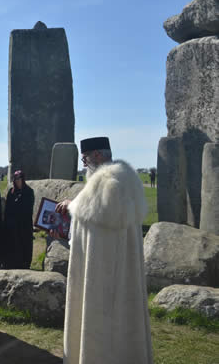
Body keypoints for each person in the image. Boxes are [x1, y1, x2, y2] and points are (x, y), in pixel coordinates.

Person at [53, 137, 152, 364]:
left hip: (100, 273)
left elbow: (91, 218)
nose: (84, 163)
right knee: (125, 322)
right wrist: (73, 207)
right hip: (124, 271)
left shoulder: (105, 183)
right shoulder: (128, 179)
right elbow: (96, 215)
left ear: (97, 155)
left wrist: (71, 207)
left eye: (85, 158)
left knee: (99, 324)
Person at [1, 170, 34, 269]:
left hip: (24, 225)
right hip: (12, 225)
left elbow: (28, 209)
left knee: (24, 245)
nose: (17, 180)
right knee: (12, 245)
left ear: (23, 179)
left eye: (19, 178)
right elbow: (7, 209)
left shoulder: (29, 191)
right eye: (15, 179)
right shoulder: (11, 192)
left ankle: (24, 265)